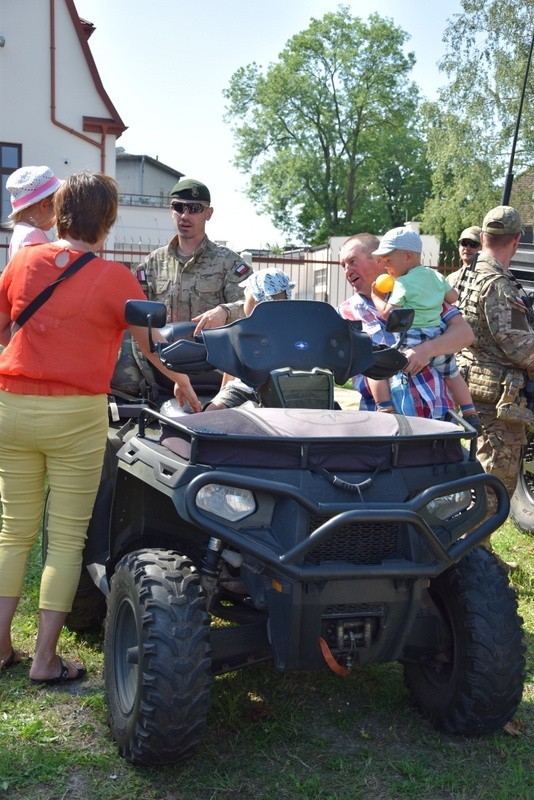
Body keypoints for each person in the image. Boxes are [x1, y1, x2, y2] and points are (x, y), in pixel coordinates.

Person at [0, 171, 200, 684]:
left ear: (59, 211)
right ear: (107, 220)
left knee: (12, 532)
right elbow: (152, 350)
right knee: (65, 539)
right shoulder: (117, 280)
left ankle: (0, 647)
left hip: (12, 406)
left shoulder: (22, 261)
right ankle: (44, 660)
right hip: (75, 414)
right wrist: (181, 383)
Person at [337, 233, 475, 419]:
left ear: (379, 261)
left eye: (352, 261)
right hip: (383, 424)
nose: (347, 270)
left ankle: (470, 413)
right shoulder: (346, 312)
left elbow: (465, 333)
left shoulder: (420, 293)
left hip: (437, 417)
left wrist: (426, 350)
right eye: (343, 266)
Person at [454, 205, 532, 514]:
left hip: (471, 384)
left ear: (484, 236)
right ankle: (476, 557)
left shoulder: (465, 275)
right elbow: (520, 347)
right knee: (495, 482)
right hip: (497, 396)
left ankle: (478, 553)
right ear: (516, 240)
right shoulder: (498, 284)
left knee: (480, 471)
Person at [133, 177, 252, 332]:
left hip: (210, 354)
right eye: (179, 207)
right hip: (162, 353)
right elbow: (136, 316)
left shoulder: (229, 263)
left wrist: (225, 311)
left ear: (209, 214)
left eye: (195, 208)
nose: (185, 216)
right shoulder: (152, 264)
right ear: (171, 211)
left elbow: (251, 304)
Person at [204, 268, 294, 411]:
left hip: (247, 390)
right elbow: (232, 369)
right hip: (289, 388)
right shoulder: (295, 326)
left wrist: (221, 397)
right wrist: (222, 392)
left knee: (211, 413)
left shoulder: (243, 329)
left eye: (246, 297)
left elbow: (231, 368)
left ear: (256, 302)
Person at [6, 166, 62, 258]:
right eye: (58, 205)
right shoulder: (33, 236)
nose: (58, 213)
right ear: (45, 205)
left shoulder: (20, 232)